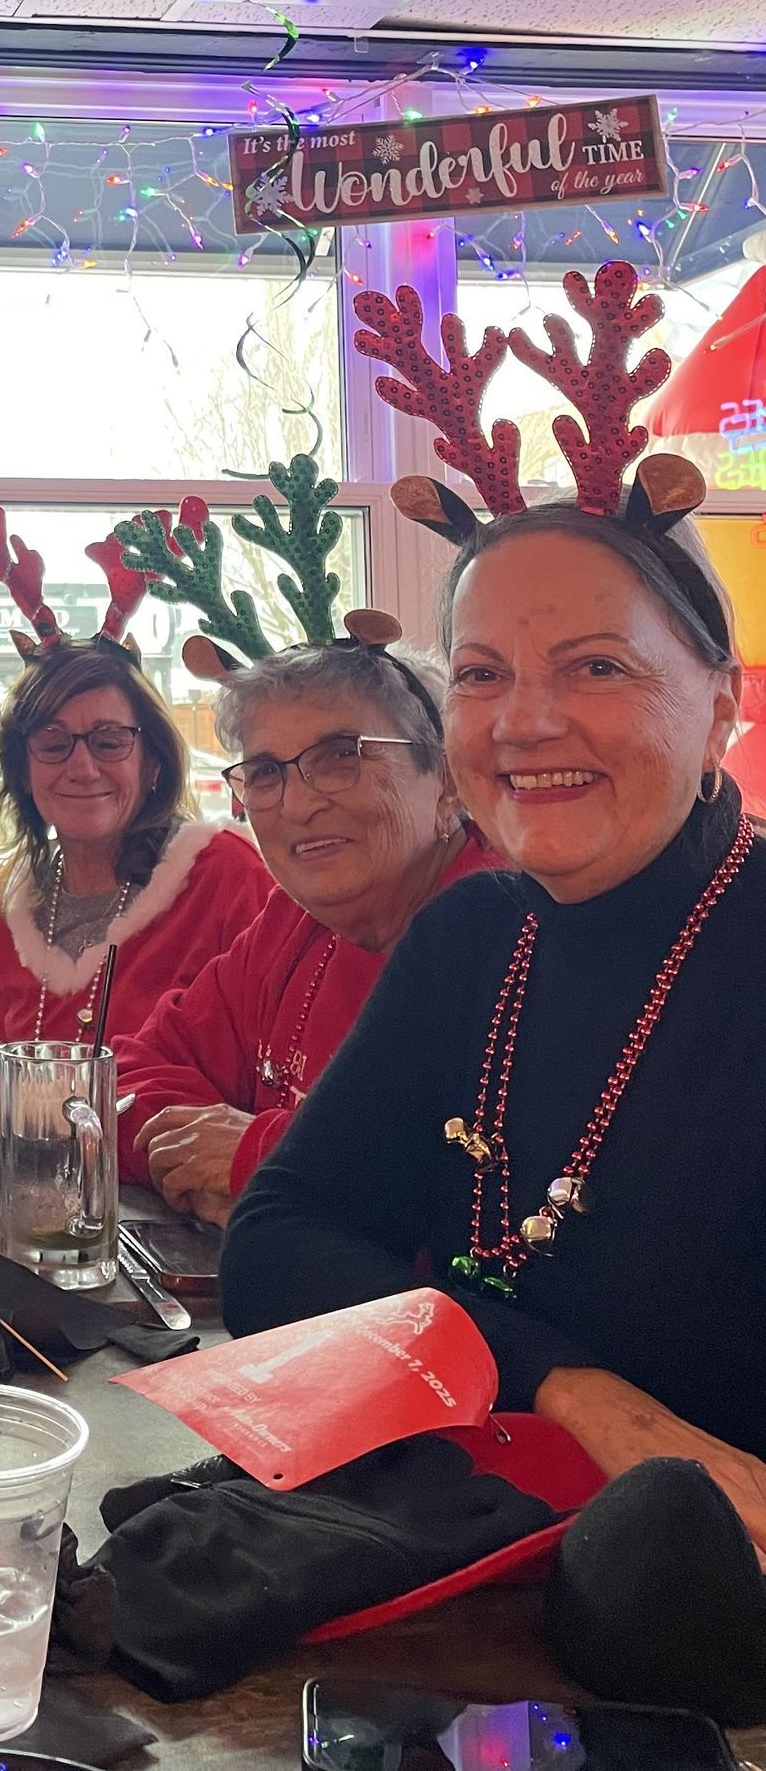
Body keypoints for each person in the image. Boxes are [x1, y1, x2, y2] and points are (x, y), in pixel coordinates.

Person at [224, 266, 766, 1559]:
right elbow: (275, 1248)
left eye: (597, 666)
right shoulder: (474, 939)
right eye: (482, 674)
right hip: (489, 1563)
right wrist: (572, 1387)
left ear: (722, 705)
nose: (526, 722)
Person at [112, 631, 496, 1226]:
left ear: (447, 778)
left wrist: (259, 1159)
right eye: (266, 773)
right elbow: (131, 1074)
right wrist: (208, 1163)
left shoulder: (516, 930)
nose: (296, 804)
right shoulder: (293, 924)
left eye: (341, 755)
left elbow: (485, 1181)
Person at [0, 496, 271, 1046]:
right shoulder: (5, 902)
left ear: (152, 762)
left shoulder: (226, 875)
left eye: (108, 740)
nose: (82, 766)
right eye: (53, 743)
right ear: (22, 766)